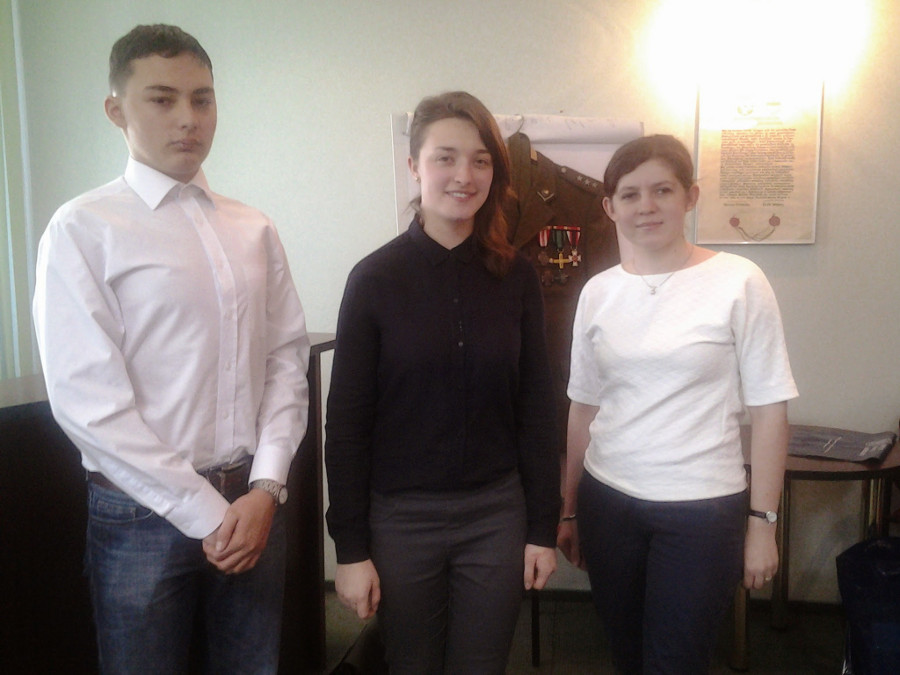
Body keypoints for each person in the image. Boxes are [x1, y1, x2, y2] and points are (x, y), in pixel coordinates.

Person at [32, 24, 310, 674]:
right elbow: (87, 402)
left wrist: (266, 487)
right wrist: (206, 510)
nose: (188, 118)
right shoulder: (82, 229)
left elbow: (285, 360)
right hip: (140, 515)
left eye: (202, 99)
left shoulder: (252, 227)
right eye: (162, 99)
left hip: (252, 500)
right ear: (116, 110)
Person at [325, 90, 559, 674]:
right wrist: (349, 549)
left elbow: (537, 410)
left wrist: (542, 528)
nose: (464, 175)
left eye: (481, 160)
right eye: (445, 158)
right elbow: (346, 425)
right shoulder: (374, 279)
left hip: (495, 516)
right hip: (401, 519)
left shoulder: (517, 277)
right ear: (414, 166)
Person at [557, 134, 798, 674]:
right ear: (609, 207)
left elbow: (770, 411)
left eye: (662, 190)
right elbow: (583, 408)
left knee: (677, 662)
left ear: (690, 196)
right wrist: (569, 509)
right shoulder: (598, 292)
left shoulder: (739, 281)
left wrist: (763, 524)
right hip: (607, 501)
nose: (646, 206)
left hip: (701, 511)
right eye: (630, 194)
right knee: (626, 655)